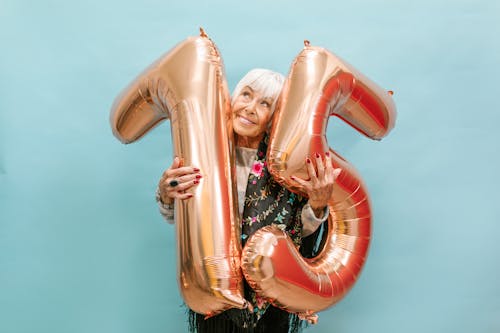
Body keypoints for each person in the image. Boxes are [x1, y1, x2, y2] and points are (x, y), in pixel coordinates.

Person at [156, 69, 341, 333]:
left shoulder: (286, 167)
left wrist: (318, 205)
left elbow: (296, 233)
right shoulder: (206, 155)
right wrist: (166, 193)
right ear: (232, 99)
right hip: (216, 295)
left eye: (265, 104)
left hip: (269, 299)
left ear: (274, 118)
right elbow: (181, 218)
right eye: (246, 95)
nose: (250, 108)